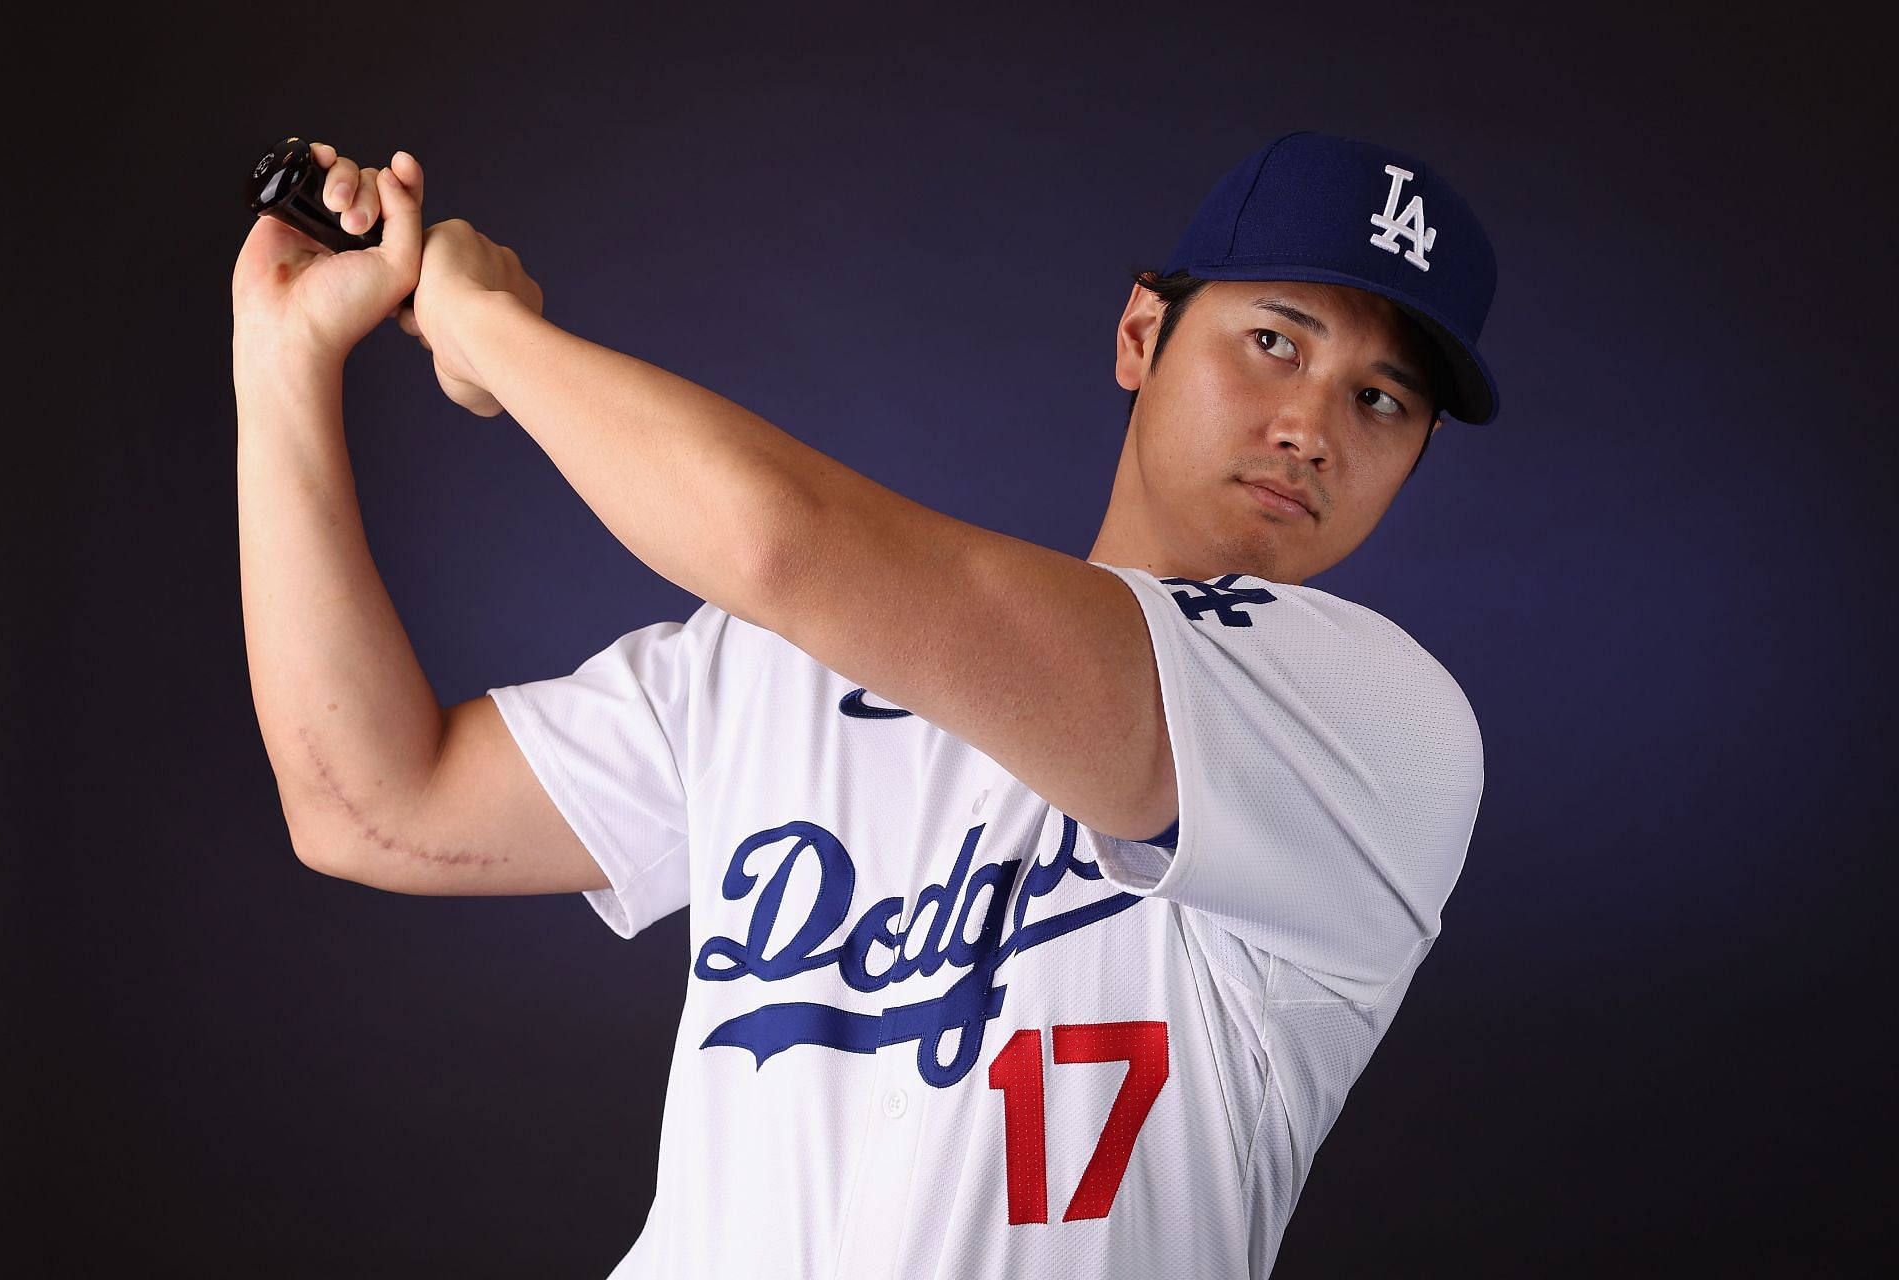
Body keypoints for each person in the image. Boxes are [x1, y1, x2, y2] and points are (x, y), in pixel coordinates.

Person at [232, 128, 1498, 1278]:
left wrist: (486, 329)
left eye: (1381, 398)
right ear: (1139, 336)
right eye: (1276, 339)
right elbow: (370, 802)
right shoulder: (780, 662)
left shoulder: (1379, 730)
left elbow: (777, 544)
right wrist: (284, 359)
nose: (1311, 426)